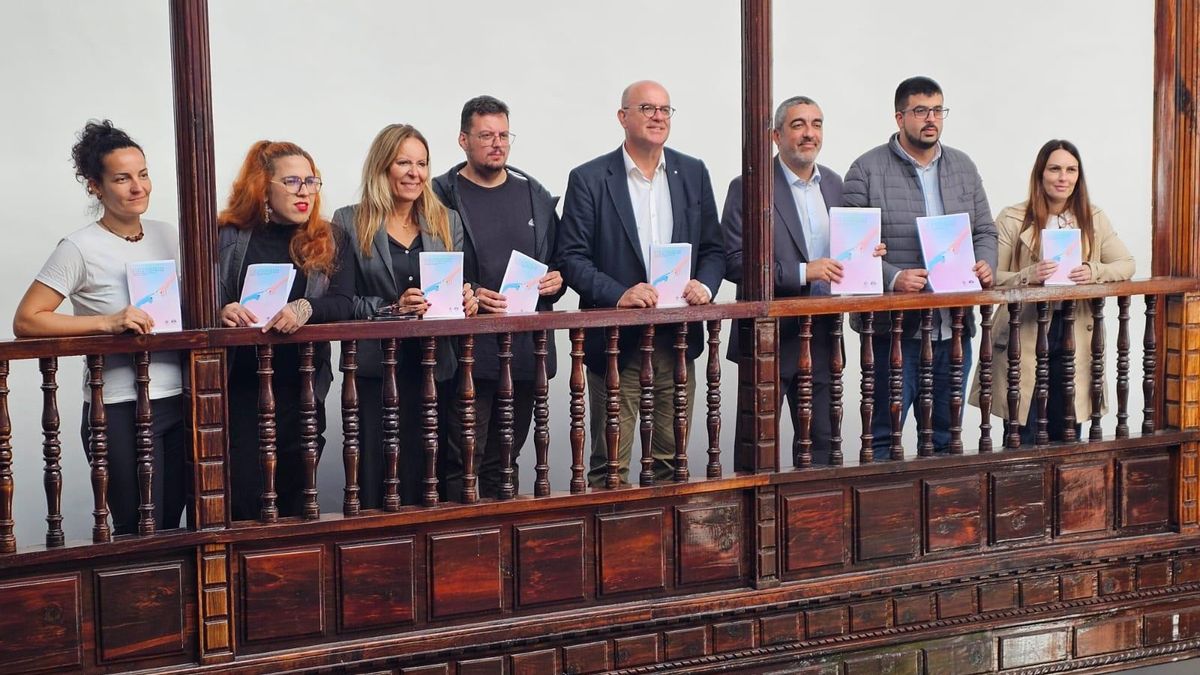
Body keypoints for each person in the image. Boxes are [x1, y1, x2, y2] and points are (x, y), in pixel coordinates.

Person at [14, 120, 186, 535]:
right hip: (120, 406)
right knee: (139, 529)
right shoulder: (78, 247)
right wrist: (107, 323)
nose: (137, 187)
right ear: (95, 186)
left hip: (182, 399)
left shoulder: (171, 234)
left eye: (143, 174)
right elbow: (26, 319)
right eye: (122, 178)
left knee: (180, 526)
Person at [556, 80, 725, 486]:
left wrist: (705, 284)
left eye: (665, 110)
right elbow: (571, 259)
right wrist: (619, 294)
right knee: (609, 468)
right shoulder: (590, 178)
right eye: (647, 108)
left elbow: (714, 250)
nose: (657, 117)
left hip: (677, 340)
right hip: (616, 345)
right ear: (623, 117)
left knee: (673, 463)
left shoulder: (693, 172)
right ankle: (613, 551)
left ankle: (666, 550)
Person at [722, 96, 883, 466]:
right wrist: (801, 271)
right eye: (798, 125)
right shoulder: (748, 186)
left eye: (817, 124)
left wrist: (867, 255)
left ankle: (817, 524)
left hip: (824, 335)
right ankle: (756, 524)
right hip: (768, 335)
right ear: (776, 136)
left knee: (824, 447)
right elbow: (735, 263)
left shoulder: (836, 185)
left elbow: (842, 257)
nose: (809, 133)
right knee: (757, 451)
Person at [843, 75, 998, 460]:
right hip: (893, 335)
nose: (931, 119)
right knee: (882, 439)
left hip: (954, 329)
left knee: (948, 438)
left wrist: (985, 265)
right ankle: (885, 520)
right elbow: (849, 249)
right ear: (899, 118)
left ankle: (945, 518)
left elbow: (985, 230)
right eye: (920, 111)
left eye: (937, 110)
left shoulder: (963, 166)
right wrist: (893, 277)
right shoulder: (866, 169)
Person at [332, 124, 478, 508]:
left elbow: (457, 286)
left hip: (435, 368)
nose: (416, 173)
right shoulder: (348, 221)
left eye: (423, 163)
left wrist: (466, 297)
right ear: (382, 167)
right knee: (378, 478)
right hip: (377, 371)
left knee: (431, 474)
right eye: (404, 162)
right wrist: (391, 309)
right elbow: (342, 301)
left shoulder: (446, 220)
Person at [431, 95, 564, 499]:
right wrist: (467, 290)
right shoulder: (440, 197)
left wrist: (559, 280)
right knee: (460, 461)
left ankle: (499, 557)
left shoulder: (535, 197)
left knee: (507, 461)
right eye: (486, 135)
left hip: (525, 352)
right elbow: (428, 264)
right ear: (463, 140)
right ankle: (458, 551)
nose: (497, 143)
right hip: (467, 354)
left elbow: (560, 259)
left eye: (504, 135)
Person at [218, 140, 353, 520]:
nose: (305, 191)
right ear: (262, 187)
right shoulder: (226, 235)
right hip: (240, 389)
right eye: (292, 181)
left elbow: (345, 301)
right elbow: (198, 302)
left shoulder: (332, 237)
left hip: (303, 388)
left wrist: (306, 306)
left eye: (311, 181)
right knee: (243, 497)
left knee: (297, 498)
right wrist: (220, 309)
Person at [970, 140, 1134, 442]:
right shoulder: (1013, 217)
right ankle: (1024, 489)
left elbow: (1126, 263)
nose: (1063, 177)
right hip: (1026, 331)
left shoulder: (1093, 218)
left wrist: (1093, 270)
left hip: (1074, 330)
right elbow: (990, 277)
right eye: (1055, 169)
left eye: (1071, 170)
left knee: (1068, 427)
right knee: (1023, 430)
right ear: (1040, 174)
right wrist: (1027, 275)